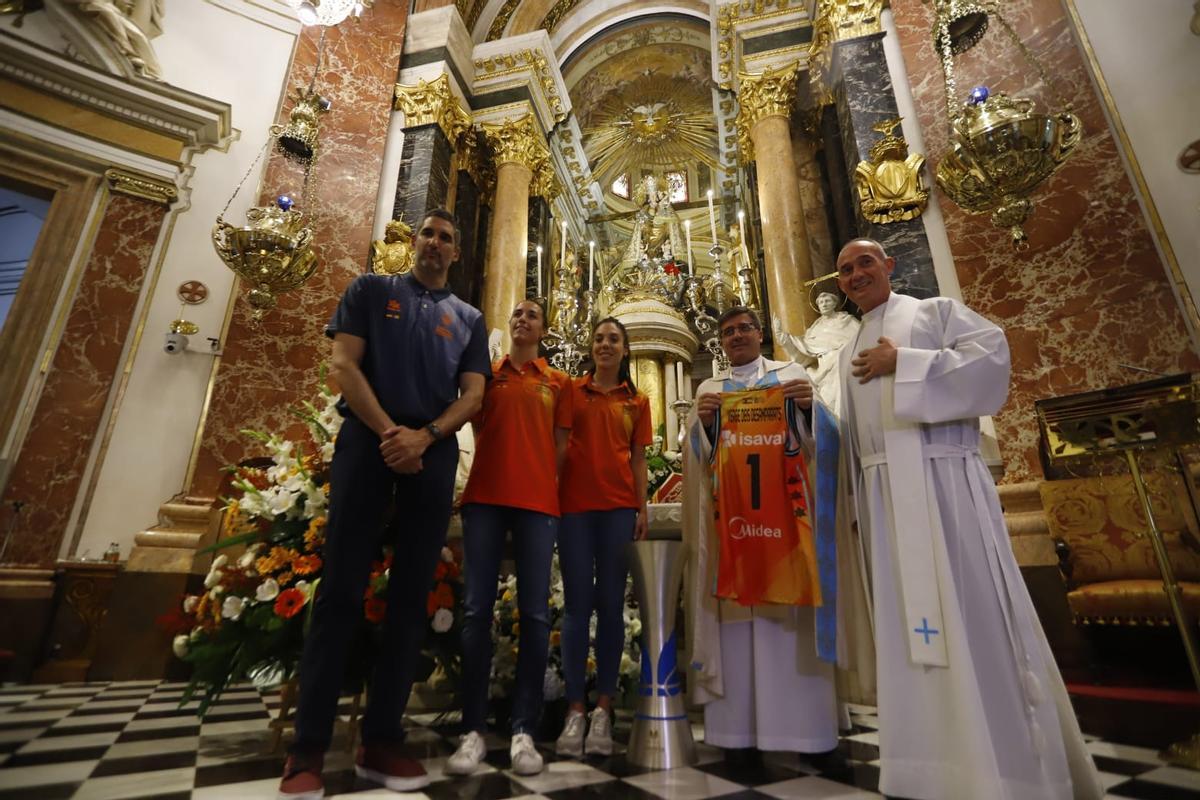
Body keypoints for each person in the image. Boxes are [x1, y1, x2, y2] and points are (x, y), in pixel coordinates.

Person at [833, 238, 1103, 800]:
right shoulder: (848, 345)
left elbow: (992, 358)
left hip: (942, 488)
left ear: (890, 265)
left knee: (971, 611)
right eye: (845, 269)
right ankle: (929, 768)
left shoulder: (935, 313)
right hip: (884, 501)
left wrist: (903, 361)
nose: (856, 273)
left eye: (865, 262)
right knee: (910, 630)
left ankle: (1004, 767)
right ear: (839, 285)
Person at [279, 210, 491, 800]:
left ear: (456, 254)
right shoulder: (371, 289)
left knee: (411, 597)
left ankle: (381, 740)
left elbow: (473, 395)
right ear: (415, 242)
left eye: (447, 237)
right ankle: (308, 751)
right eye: (427, 233)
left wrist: (423, 437)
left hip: (431, 454)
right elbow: (343, 364)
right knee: (341, 590)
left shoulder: (468, 318)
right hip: (367, 447)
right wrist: (389, 433)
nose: (434, 243)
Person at [682, 306, 839, 759]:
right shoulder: (710, 389)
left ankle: (801, 727)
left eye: (744, 329)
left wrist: (809, 410)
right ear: (721, 342)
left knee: (787, 627)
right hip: (735, 530)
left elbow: (824, 444)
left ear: (759, 334)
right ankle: (736, 730)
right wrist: (706, 425)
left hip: (786, 528)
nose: (736, 337)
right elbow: (699, 461)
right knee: (736, 619)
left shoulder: (792, 377)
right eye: (728, 332)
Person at [445, 299, 573, 777]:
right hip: (485, 500)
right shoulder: (486, 374)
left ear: (543, 329)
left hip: (538, 504)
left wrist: (540, 481)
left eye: (532, 315)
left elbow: (560, 448)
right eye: (517, 313)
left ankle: (524, 730)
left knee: (536, 615)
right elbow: (478, 424)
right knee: (477, 610)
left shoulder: (558, 382)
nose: (522, 319)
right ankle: (472, 730)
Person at [554, 317, 653, 758]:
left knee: (612, 608)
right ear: (591, 347)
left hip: (616, 510)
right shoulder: (571, 392)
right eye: (599, 338)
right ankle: (576, 707)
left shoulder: (638, 400)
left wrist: (642, 506)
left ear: (625, 349)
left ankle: (604, 708)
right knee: (576, 608)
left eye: (614, 339)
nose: (605, 344)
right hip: (573, 509)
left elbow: (637, 458)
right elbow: (558, 448)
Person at [773, 291, 860, 414]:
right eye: (821, 302)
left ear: (835, 303)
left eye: (827, 301)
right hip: (823, 369)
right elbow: (804, 350)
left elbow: (863, 341)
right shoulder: (815, 328)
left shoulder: (848, 321)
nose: (824, 304)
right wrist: (782, 337)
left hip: (846, 366)